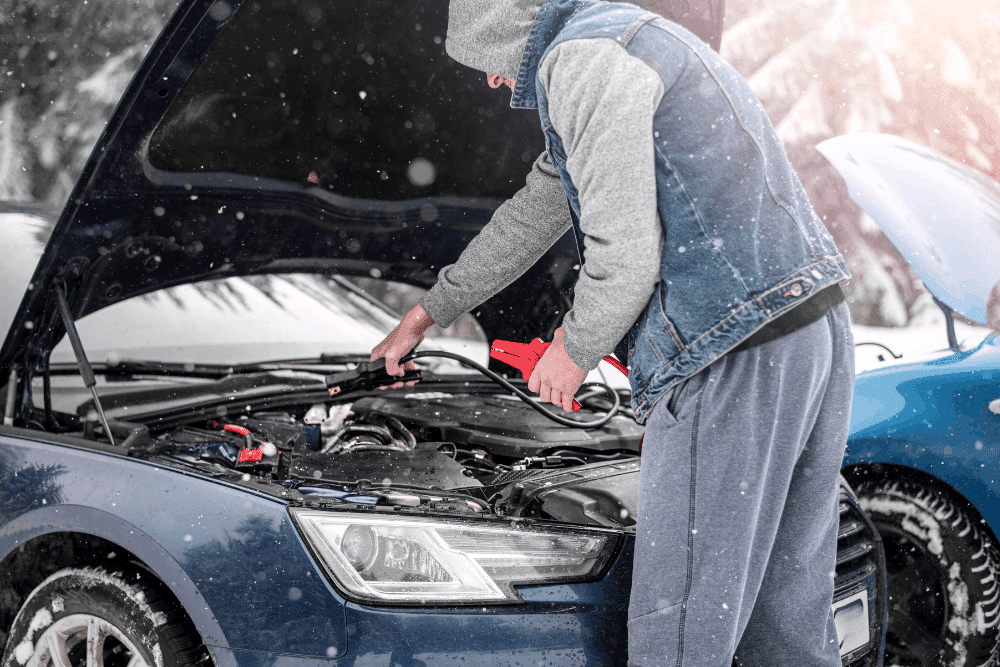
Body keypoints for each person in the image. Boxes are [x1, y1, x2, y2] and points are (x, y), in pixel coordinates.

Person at [370, 0, 855, 664]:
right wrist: (429, 311)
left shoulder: (581, 60)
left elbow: (625, 259)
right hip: (810, 328)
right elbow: (532, 214)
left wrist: (573, 349)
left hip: (732, 348)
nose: (489, 83)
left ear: (505, 28)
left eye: (484, 61)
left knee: (678, 633)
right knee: (784, 626)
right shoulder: (627, 37)